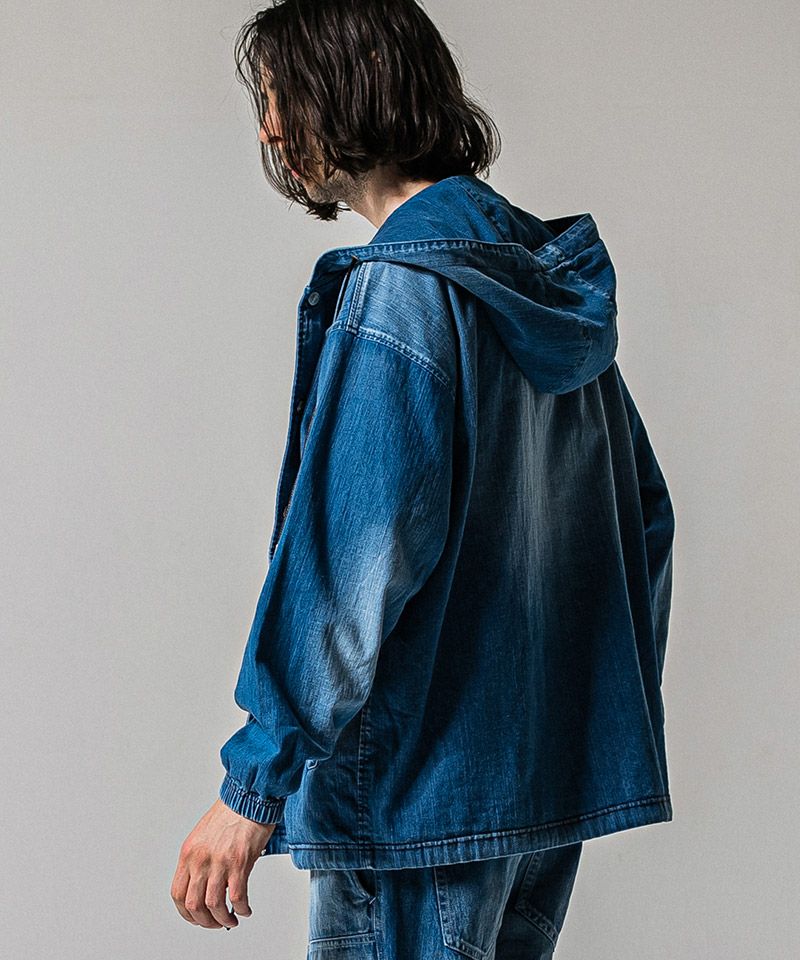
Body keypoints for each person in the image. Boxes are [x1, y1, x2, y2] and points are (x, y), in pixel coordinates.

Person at [171, 1, 676, 957]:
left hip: (414, 799)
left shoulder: (403, 292)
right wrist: (571, 718)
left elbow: (352, 556)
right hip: (533, 797)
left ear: (346, 90)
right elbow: (639, 523)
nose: (270, 130)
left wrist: (252, 785)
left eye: (279, 98)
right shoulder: (544, 286)